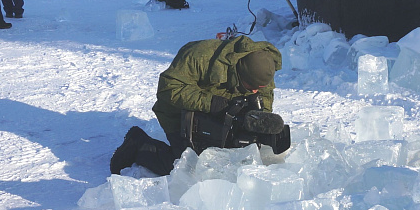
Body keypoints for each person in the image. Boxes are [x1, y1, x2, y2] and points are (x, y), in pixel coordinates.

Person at [111, 36, 289, 175]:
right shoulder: (199, 57)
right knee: (189, 168)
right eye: (250, 88)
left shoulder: (263, 64)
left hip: (223, 112)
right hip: (180, 111)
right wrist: (212, 104)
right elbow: (168, 89)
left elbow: (263, 97)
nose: (255, 92)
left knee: (229, 160)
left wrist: (260, 119)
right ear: (239, 73)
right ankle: (138, 145)